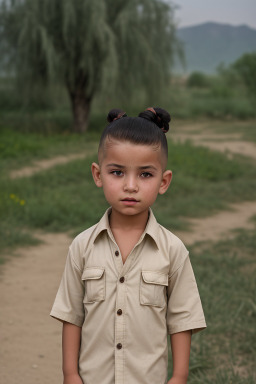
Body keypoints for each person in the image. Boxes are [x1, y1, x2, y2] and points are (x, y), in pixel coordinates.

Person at [50, 107, 206, 384]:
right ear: (98, 175)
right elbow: (71, 315)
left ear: (164, 181)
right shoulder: (82, 246)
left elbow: (182, 319)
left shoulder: (173, 250)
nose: (131, 186)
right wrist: (70, 374)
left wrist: (179, 376)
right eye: (117, 172)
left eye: (145, 174)